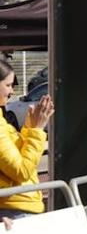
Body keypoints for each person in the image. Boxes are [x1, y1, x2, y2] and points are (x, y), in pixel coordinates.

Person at [0, 59, 55, 221]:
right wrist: (37, 130)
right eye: (8, 85)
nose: (11, 91)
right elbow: (22, 171)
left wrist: (30, 126)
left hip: (16, 207)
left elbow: (18, 156)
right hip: (14, 210)